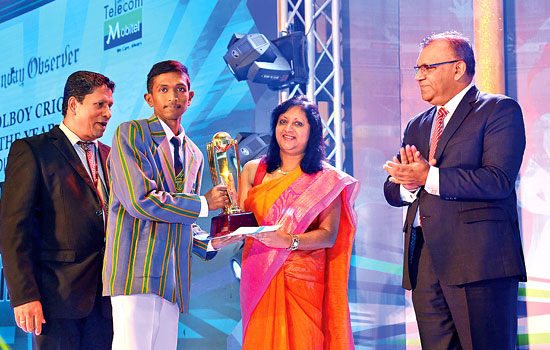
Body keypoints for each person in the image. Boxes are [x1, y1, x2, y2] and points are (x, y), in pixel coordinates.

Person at [383, 31, 526, 350]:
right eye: (417, 69)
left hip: (479, 261)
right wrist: (407, 184)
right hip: (424, 261)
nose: (419, 76)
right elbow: (394, 188)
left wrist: (428, 176)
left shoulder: (498, 111)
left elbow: (497, 180)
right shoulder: (417, 125)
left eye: (428, 68)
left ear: (458, 68)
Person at [102, 60, 232, 350]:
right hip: (136, 269)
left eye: (180, 89)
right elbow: (140, 200)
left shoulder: (196, 154)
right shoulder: (131, 133)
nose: (173, 96)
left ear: (190, 97)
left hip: (172, 277)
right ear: (150, 98)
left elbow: (185, 218)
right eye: (164, 89)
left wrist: (212, 242)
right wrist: (203, 202)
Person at [0, 71, 115, 349]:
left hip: (109, 301)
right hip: (57, 300)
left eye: (110, 105)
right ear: (74, 105)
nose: (108, 113)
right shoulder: (33, 150)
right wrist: (25, 296)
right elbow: (14, 228)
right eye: (100, 104)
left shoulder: (111, 155)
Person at [237, 95, 359, 349]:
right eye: (283, 121)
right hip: (259, 273)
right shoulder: (252, 170)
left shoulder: (325, 180)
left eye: (298, 124)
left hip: (303, 279)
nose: (288, 129)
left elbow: (329, 235)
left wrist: (288, 241)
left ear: (312, 133)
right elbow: (240, 222)